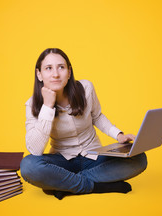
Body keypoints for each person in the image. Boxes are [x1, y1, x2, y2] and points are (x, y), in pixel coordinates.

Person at [20, 48, 147, 200]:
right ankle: (94, 186)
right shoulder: (33, 104)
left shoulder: (86, 88)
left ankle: (66, 184)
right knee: (28, 166)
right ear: (39, 74)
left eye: (61, 67)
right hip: (62, 160)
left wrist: (118, 135)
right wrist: (47, 106)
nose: (55, 74)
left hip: (93, 156)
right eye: (48, 68)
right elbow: (35, 150)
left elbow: (97, 116)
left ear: (69, 72)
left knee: (139, 158)